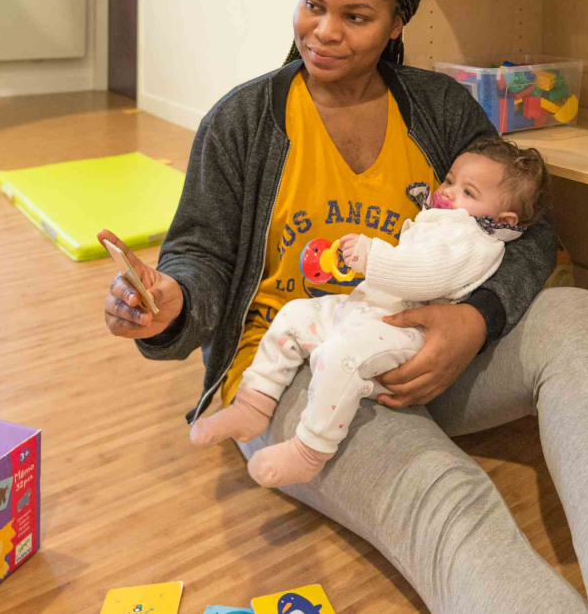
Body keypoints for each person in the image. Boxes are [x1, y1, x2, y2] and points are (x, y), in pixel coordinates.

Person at [100, 0, 588, 614]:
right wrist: (173, 303)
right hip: (295, 370)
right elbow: (199, 253)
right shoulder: (243, 120)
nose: (324, 31)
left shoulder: (438, 108)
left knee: (579, 315)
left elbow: (529, 230)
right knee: (443, 493)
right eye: (313, 6)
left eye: (356, 17)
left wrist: (474, 319)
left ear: (397, 24)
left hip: (423, 352)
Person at [190, 138, 549, 488]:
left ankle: (310, 450)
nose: (450, 192)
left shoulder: (476, 240)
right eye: (451, 181)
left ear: (504, 219)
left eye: (468, 193)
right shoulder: (444, 219)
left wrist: (371, 257)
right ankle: (254, 404)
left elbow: (426, 274)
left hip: (406, 330)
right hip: (368, 308)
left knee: (339, 358)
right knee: (294, 316)